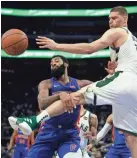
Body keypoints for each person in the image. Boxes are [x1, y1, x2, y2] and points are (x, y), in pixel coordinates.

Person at [8, 6, 137, 157]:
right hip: (133, 88)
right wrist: (114, 72)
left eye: (114, 18)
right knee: (131, 137)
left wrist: (57, 46)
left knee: (73, 97)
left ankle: (32, 121)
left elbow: (90, 48)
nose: (110, 21)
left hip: (125, 79)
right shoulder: (132, 40)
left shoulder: (117, 31)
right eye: (109, 18)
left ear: (125, 19)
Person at [11, 55, 92, 158]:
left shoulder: (80, 84)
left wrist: (112, 76)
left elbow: (103, 88)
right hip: (48, 131)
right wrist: (60, 95)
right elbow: (42, 104)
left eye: (56, 61)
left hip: (69, 133)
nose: (53, 63)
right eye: (51, 63)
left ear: (66, 64)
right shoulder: (46, 84)